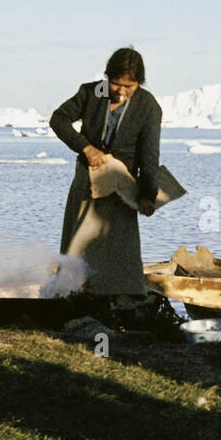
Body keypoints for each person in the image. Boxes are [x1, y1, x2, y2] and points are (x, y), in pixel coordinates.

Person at [50, 46, 162, 302]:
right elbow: (58, 120)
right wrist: (85, 147)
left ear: (138, 84)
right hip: (86, 181)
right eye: (116, 84)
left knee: (119, 248)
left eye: (129, 86)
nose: (121, 91)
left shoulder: (147, 106)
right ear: (107, 78)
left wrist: (148, 194)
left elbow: (149, 155)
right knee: (78, 241)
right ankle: (71, 296)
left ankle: (121, 302)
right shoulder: (92, 92)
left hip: (120, 187)